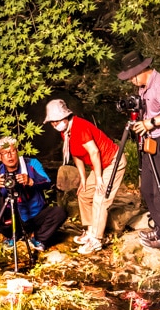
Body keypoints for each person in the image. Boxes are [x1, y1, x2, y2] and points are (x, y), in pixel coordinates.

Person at [117, 49, 160, 249]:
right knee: (147, 189)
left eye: (131, 77)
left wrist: (151, 123)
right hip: (150, 144)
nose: (130, 81)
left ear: (140, 71)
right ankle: (159, 228)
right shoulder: (144, 87)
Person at [43, 99, 126, 256]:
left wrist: (99, 178)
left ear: (66, 117)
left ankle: (96, 239)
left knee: (100, 198)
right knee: (84, 193)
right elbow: (77, 155)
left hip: (112, 162)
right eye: (52, 122)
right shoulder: (66, 133)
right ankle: (90, 229)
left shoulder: (80, 127)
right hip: (99, 166)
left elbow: (94, 152)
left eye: (57, 121)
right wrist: (83, 179)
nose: (55, 124)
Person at [0, 136, 67, 251]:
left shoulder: (32, 164)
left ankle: (38, 238)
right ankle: (13, 236)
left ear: (17, 151)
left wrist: (31, 181)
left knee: (59, 212)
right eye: (5, 153)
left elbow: (48, 183)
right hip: (13, 218)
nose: (9, 155)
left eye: (12, 151)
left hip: (35, 214)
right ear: (0, 156)